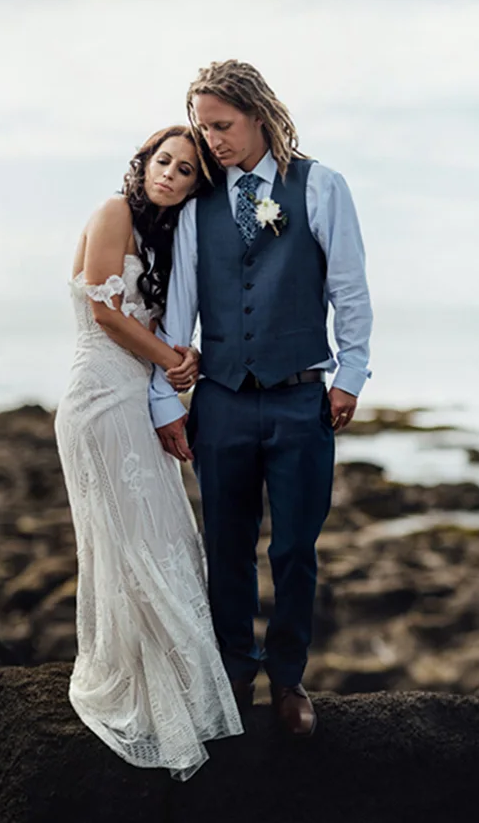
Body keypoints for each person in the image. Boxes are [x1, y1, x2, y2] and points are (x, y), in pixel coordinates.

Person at [151, 60, 372, 739]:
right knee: (227, 545)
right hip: (220, 402)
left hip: (302, 399)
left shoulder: (321, 187)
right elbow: (179, 312)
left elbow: (350, 292)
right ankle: (234, 671)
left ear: (257, 113)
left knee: (296, 550)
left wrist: (349, 376)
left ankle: (287, 678)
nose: (212, 140)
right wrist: (166, 401)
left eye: (222, 125)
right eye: (204, 128)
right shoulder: (198, 207)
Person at [56, 124, 243, 779]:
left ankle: (184, 688)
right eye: (163, 161)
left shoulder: (165, 239)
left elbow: (157, 321)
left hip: (135, 399)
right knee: (128, 540)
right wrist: (174, 360)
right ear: (143, 164)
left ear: (197, 185)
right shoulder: (112, 212)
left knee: (163, 534)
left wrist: (178, 357)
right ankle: (139, 686)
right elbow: (107, 313)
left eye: (186, 170)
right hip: (99, 401)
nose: (170, 173)